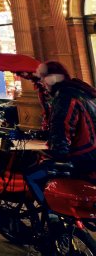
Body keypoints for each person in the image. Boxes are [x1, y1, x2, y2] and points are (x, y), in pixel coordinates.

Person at [25, 61, 96, 210]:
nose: (42, 84)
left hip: (84, 157)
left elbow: (62, 129)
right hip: (91, 152)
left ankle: (53, 217)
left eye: (42, 79)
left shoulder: (64, 97)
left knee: (32, 175)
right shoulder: (82, 91)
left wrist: (55, 154)